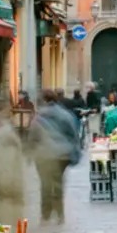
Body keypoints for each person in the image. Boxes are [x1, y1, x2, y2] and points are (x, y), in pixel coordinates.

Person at [30, 89, 82, 224]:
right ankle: (60, 214)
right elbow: (73, 133)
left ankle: (45, 215)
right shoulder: (65, 114)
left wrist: (31, 151)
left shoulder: (39, 116)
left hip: (44, 155)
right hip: (62, 155)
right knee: (58, 183)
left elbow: (33, 136)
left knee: (45, 185)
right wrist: (74, 150)